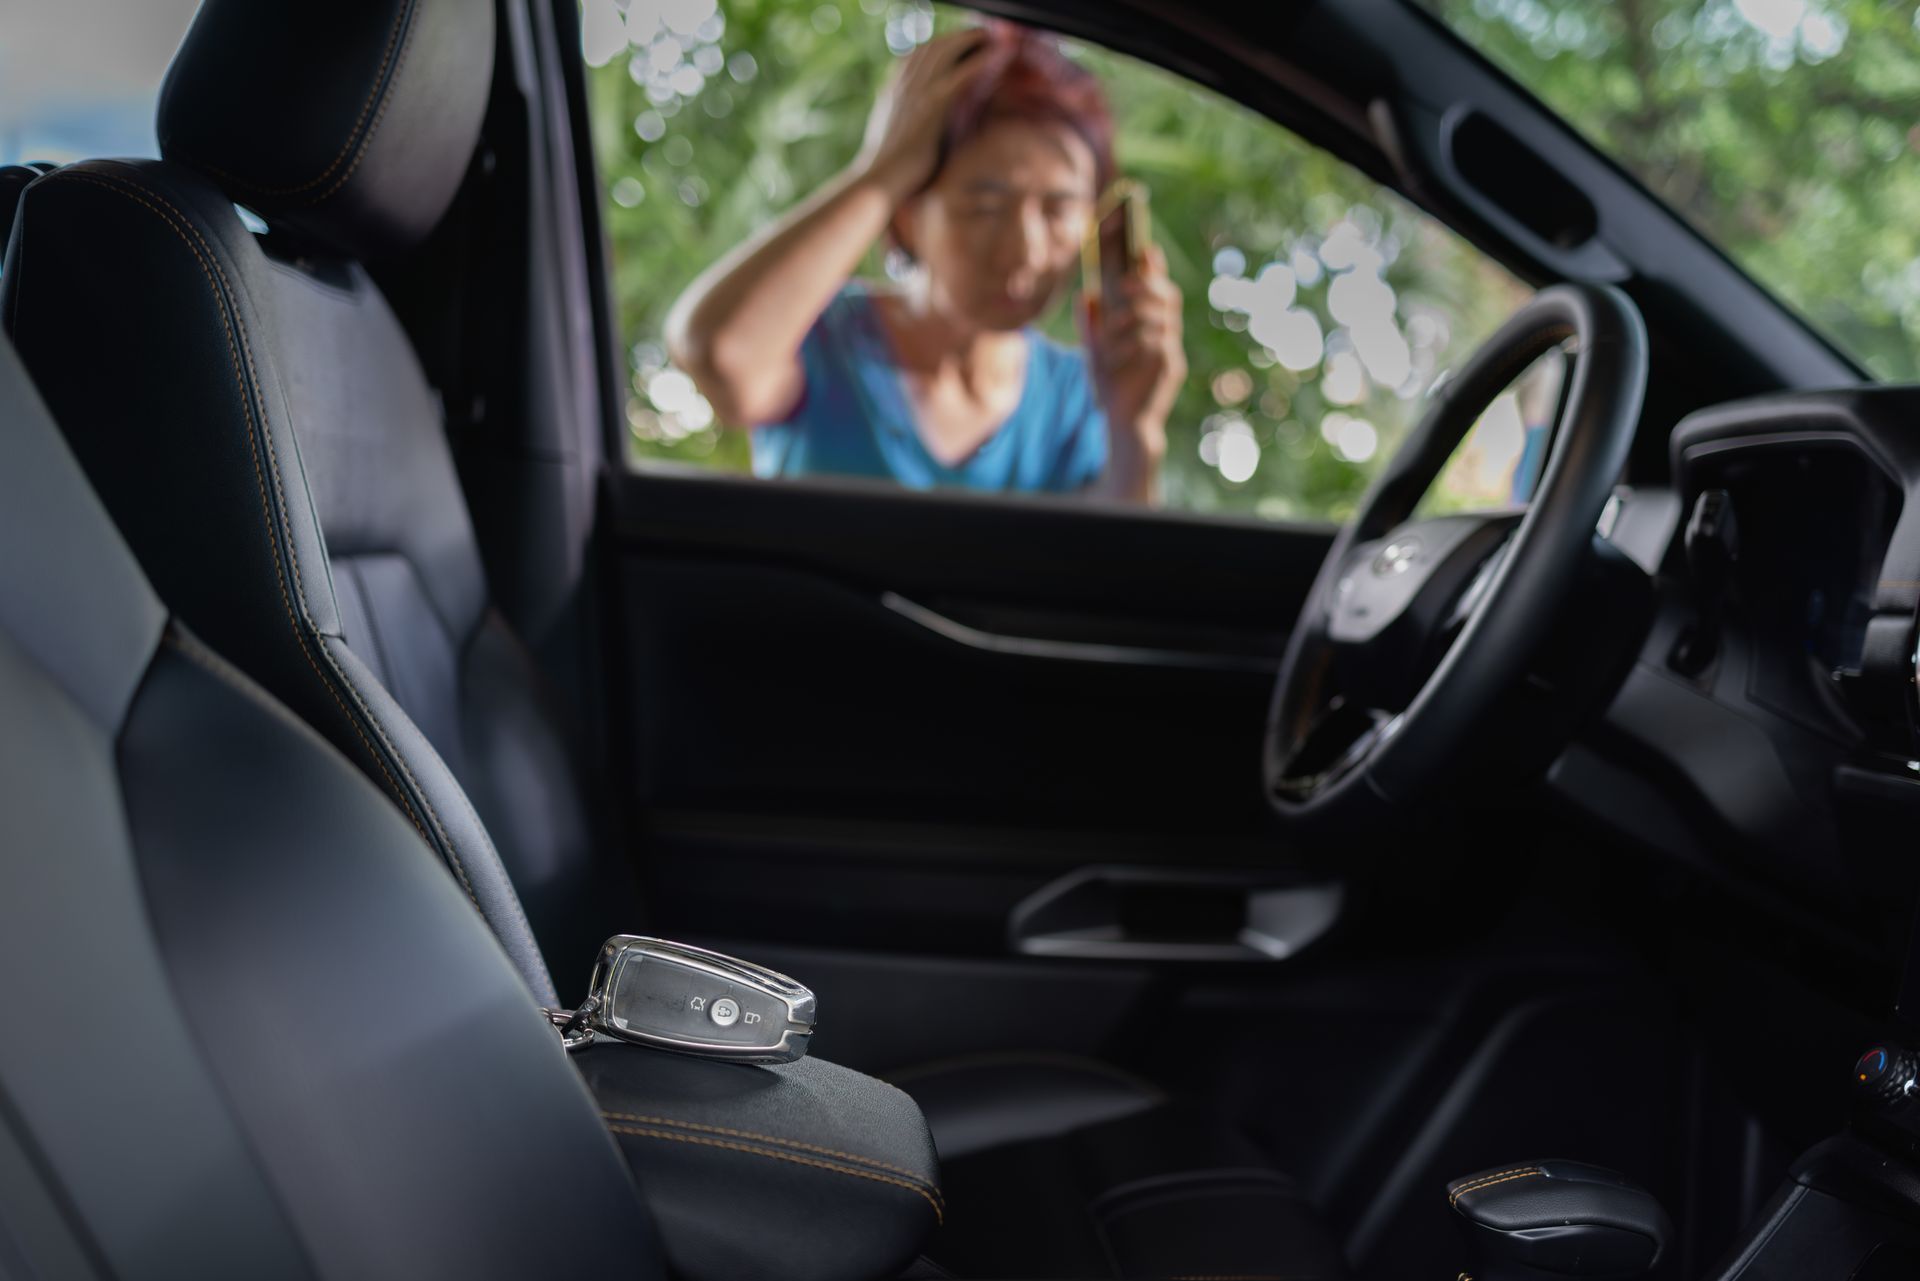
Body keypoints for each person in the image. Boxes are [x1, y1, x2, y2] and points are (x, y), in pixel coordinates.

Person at [666, 22, 1186, 503]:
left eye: (1058, 209)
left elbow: (1102, 573)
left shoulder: (1080, 394)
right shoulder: (818, 337)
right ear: (908, 213)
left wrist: (1135, 428)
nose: (1025, 251)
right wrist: (881, 169)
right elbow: (720, 355)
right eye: (985, 208)